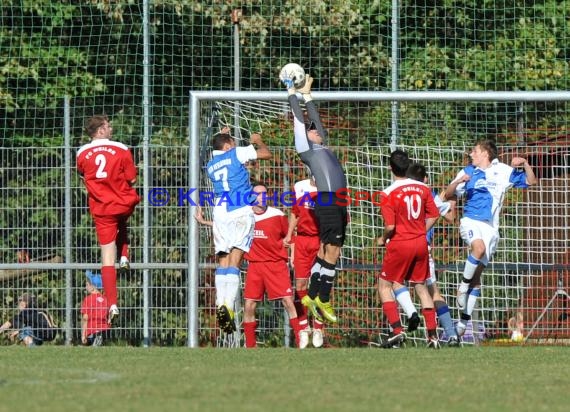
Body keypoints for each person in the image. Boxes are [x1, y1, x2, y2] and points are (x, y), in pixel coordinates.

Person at [443, 139, 537, 337]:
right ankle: (461, 288)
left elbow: (531, 181)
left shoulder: (502, 170)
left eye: (474, 151)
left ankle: (462, 323)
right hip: (470, 220)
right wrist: (458, 182)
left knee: (477, 279)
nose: (471, 154)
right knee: (478, 249)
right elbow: (448, 193)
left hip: (491, 229)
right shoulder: (467, 171)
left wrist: (525, 164)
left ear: (486, 153)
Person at [282, 74, 348, 324]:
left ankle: (311, 295)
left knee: (329, 251)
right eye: (311, 130)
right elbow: (300, 120)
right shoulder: (306, 148)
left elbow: (315, 121)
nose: (316, 130)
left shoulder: (321, 145)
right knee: (332, 252)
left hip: (339, 201)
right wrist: (291, 92)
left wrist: (308, 94)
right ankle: (323, 297)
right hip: (329, 200)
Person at [205, 127, 271, 334]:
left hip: (220, 212)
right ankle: (228, 306)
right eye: (232, 143)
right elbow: (266, 154)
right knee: (235, 260)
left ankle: (220, 303)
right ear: (227, 146)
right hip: (239, 210)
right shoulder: (235, 153)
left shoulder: (210, 164)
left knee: (223, 260)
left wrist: (224, 135)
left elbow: (222, 148)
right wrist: (258, 141)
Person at [77, 115, 140, 324]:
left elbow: (82, 175)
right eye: (108, 126)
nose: (111, 129)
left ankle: (112, 303)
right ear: (101, 130)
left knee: (106, 258)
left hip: (102, 209)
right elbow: (132, 178)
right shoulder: (121, 148)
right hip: (123, 203)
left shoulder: (81, 153)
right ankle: (125, 254)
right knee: (122, 218)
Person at [377, 150, 441, 349]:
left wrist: (382, 238)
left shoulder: (388, 193)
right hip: (420, 243)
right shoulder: (423, 188)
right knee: (421, 288)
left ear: (390, 168)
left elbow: (390, 227)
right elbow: (435, 214)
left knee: (384, 286)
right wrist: (421, 231)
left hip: (400, 244)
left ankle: (397, 331)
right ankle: (432, 338)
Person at [405, 162, 461, 346]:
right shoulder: (431, 196)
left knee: (391, 286)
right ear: (426, 179)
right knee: (432, 293)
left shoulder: (402, 193)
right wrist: (453, 200)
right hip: (422, 248)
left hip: (402, 246)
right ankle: (449, 334)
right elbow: (451, 218)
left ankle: (397, 331)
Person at [241, 184, 303, 348]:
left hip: (276, 264)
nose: (262, 196)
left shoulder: (277, 215)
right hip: (255, 266)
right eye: (258, 193)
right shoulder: (244, 214)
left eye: (264, 193)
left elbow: (291, 237)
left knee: (288, 301)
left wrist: (293, 256)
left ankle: (300, 340)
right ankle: (250, 346)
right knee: (249, 305)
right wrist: (205, 221)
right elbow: (226, 226)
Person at [283, 176, 324, 348]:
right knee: (300, 285)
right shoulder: (300, 186)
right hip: (302, 241)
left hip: (321, 241)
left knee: (321, 285)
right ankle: (303, 327)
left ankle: (318, 328)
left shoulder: (330, 187)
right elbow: (295, 212)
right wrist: (289, 235)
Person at [80, 270, 111, 346]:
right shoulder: (106, 299)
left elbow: (85, 318)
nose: (86, 287)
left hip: (92, 331)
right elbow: (109, 317)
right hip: (105, 330)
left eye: (87, 285)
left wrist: (83, 334)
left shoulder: (88, 299)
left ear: (93, 287)